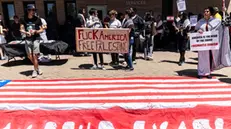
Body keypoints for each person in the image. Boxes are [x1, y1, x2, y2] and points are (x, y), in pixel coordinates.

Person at [195, 7, 221, 79]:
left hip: (210, 43)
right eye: (205, 11)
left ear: (210, 13)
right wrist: (198, 31)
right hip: (202, 43)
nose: (206, 12)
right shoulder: (200, 21)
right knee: (201, 58)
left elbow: (220, 26)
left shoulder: (214, 21)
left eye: (207, 11)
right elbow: (195, 29)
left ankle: (208, 73)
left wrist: (224, 12)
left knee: (209, 58)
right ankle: (200, 73)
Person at [19, 5, 44, 78]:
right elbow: (21, 29)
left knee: (35, 56)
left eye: (34, 10)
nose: (33, 12)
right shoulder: (23, 19)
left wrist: (36, 31)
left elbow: (42, 29)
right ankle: (38, 67)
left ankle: (35, 71)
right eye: (32, 10)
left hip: (36, 38)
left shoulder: (38, 19)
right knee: (29, 56)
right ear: (28, 11)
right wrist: (26, 33)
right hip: (28, 39)